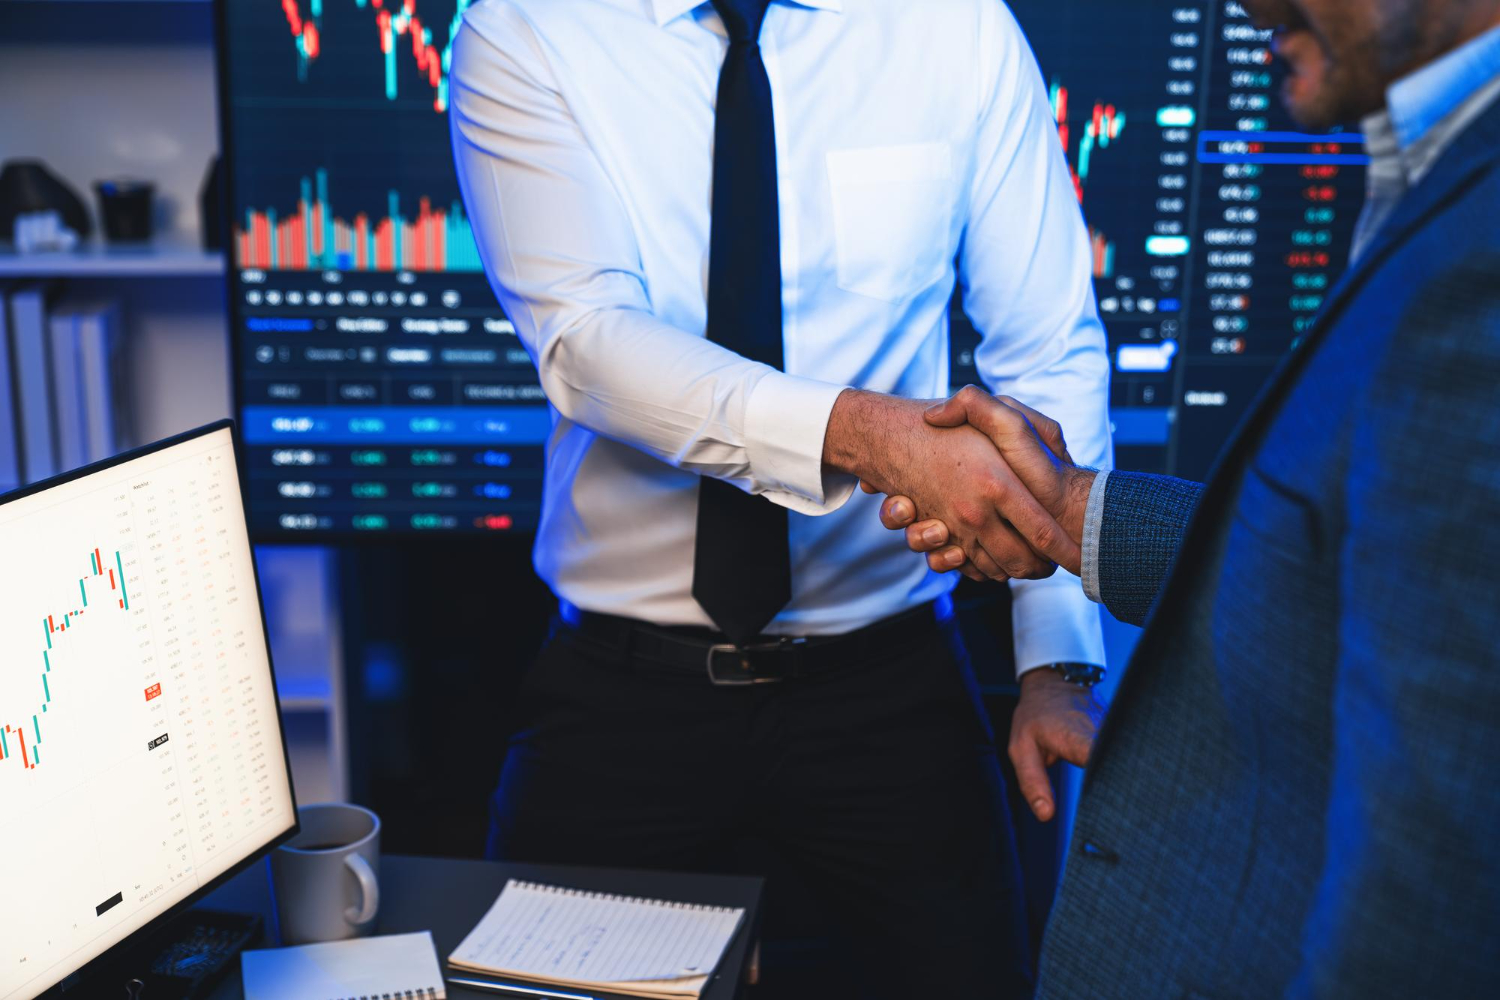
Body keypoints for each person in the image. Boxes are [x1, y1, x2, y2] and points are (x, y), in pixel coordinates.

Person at [448, 0, 1112, 995]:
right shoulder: (525, 25)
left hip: (891, 687)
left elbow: (1046, 349)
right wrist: (869, 436)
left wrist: (1058, 654)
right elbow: (587, 341)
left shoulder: (956, 27)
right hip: (623, 695)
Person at [872, 0, 1500, 994]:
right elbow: (1359, 560)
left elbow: (1435, 874)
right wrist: (1071, 512)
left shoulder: (1480, 250)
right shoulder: (1441, 175)